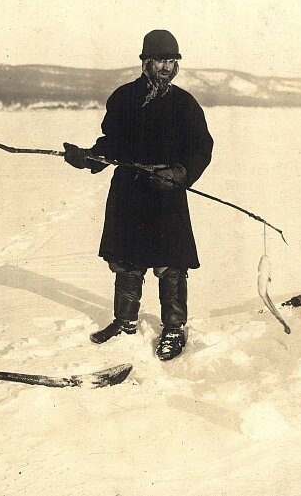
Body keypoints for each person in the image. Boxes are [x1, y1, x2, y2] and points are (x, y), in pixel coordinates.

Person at [63, 29, 213, 361]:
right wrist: (88, 157)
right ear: (145, 61)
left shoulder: (185, 104)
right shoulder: (123, 98)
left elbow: (203, 148)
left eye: (172, 61)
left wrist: (180, 173)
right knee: (127, 260)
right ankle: (124, 321)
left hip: (166, 192)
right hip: (129, 189)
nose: (166, 67)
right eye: (160, 60)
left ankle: (173, 327)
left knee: (171, 263)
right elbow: (112, 144)